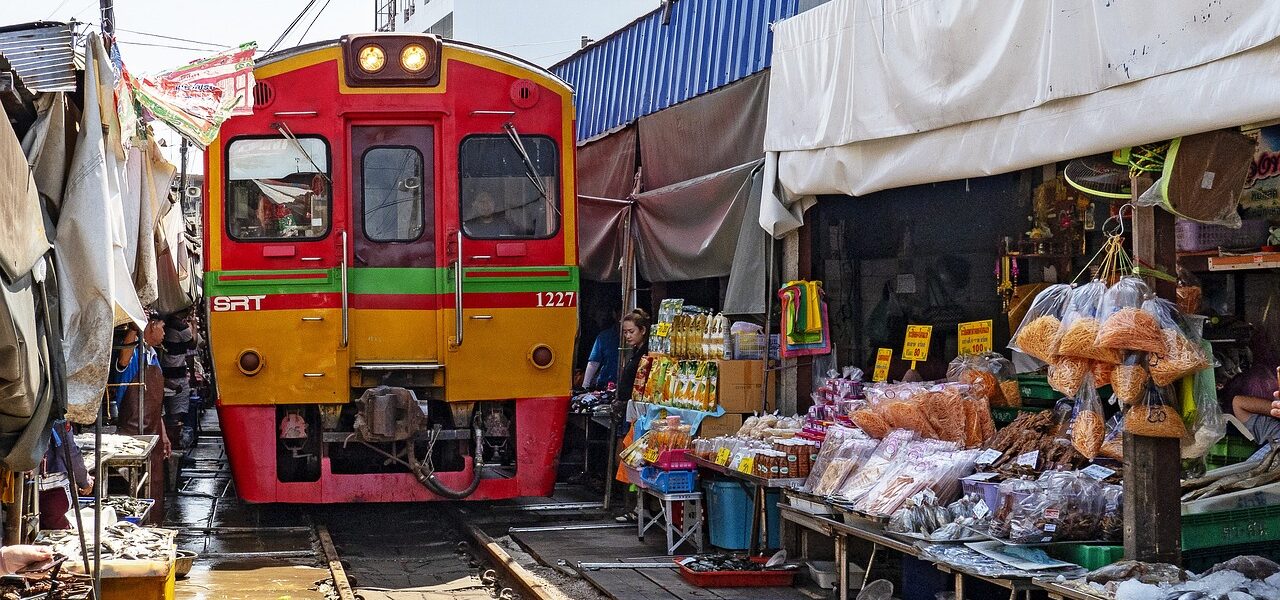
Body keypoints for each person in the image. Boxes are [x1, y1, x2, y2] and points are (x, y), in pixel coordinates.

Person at [38, 420, 92, 531]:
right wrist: (84, 481)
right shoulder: (57, 417)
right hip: (53, 490)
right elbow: (69, 452)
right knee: (57, 536)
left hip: (21, 489)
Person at [160, 310, 197, 450]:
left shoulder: (170, 326)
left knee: (167, 412)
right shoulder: (181, 328)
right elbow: (192, 345)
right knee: (176, 414)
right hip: (177, 376)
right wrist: (194, 326)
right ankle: (173, 445)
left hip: (167, 374)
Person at [582, 309, 620, 391]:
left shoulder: (637, 339)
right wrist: (585, 386)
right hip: (605, 386)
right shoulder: (604, 337)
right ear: (615, 314)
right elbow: (594, 362)